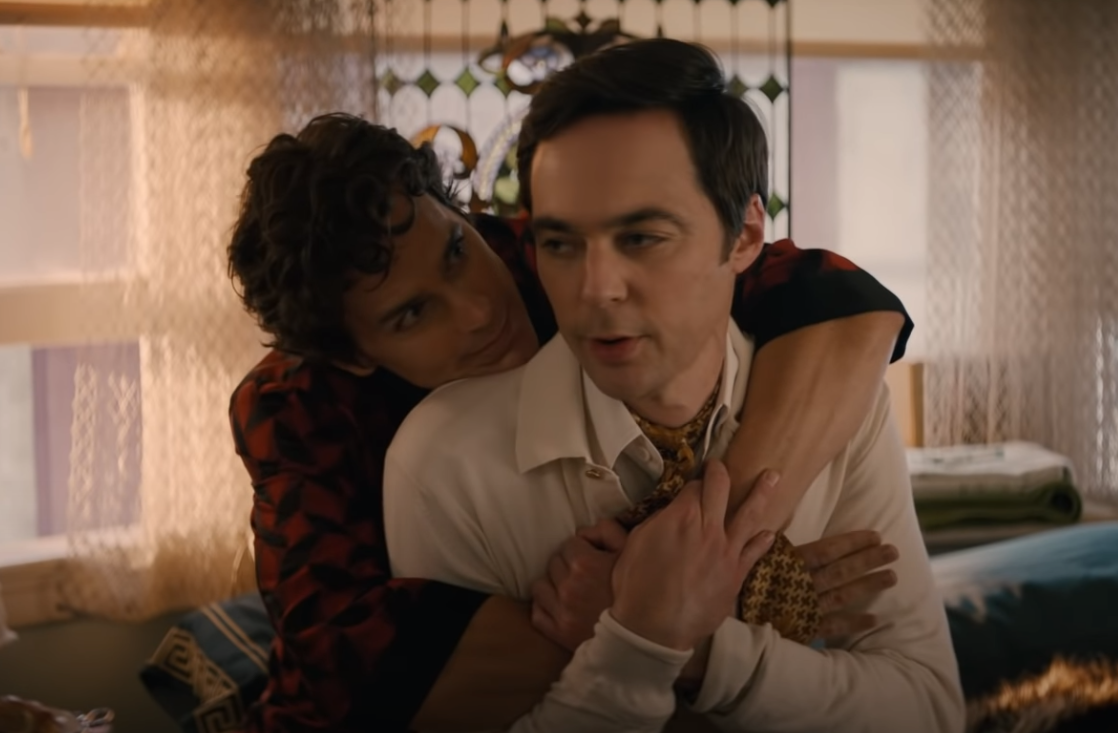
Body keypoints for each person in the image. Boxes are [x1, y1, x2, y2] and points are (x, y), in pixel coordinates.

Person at [227, 102, 911, 732]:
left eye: (457, 251)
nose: (479, 308)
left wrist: (712, 573)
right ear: (351, 355)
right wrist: (655, 616)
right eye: (412, 314)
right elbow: (352, 658)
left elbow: (844, 300)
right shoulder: (294, 407)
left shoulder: (544, 253)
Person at [383, 38, 963, 732]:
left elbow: (928, 710)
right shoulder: (443, 464)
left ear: (744, 236)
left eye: (642, 238)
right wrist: (647, 637)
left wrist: (692, 648)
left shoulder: (846, 403)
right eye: (561, 244)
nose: (596, 290)